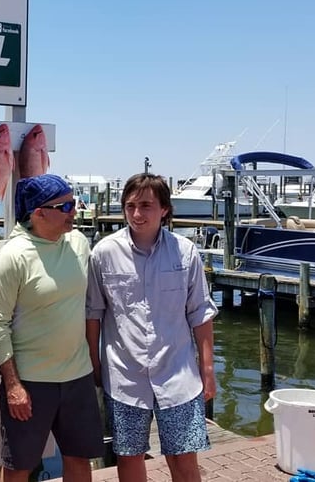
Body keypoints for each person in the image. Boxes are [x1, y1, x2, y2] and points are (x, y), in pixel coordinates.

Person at [86, 173, 217, 482]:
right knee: (128, 457)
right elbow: (92, 314)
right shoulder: (103, 253)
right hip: (123, 376)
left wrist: (208, 370)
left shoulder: (186, 253)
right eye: (130, 206)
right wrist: (94, 362)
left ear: (164, 210)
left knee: (184, 456)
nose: (136, 214)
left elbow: (200, 313)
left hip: (178, 374)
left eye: (146, 205)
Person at [0, 173, 104, 482]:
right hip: (31, 383)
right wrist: (13, 386)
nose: (74, 213)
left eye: (73, 204)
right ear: (39, 213)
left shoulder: (78, 242)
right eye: (65, 207)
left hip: (78, 378)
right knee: (19, 467)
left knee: (79, 460)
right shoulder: (13, 257)